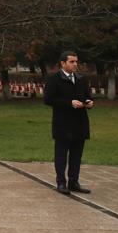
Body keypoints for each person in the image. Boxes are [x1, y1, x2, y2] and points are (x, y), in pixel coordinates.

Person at [43, 51, 93, 195]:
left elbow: (87, 96)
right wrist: (69, 103)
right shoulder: (54, 79)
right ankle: (61, 182)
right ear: (63, 63)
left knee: (76, 155)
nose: (75, 64)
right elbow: (48, 100)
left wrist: (89, 102)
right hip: (63, 124)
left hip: (80, 123)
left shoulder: (80, 79)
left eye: (76, 61)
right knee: (61, 155)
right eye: (72, 62)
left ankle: (73, 182)